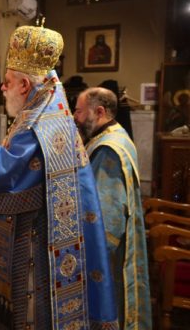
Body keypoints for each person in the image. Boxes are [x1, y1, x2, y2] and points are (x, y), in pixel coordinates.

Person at [0, 25, 119, 328]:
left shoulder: (39, 124)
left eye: (7, 82)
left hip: (37, 239)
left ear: (24, 85)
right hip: (49, 227)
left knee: (30, 314)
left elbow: (4, 172)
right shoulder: (48, 109)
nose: (2, 88)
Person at [74, 87, 151, 330]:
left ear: (99, 112)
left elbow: (106, 219)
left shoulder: (108, 149)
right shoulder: (114, 135)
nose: (75, 118)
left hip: (109, 258)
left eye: (78, 111)